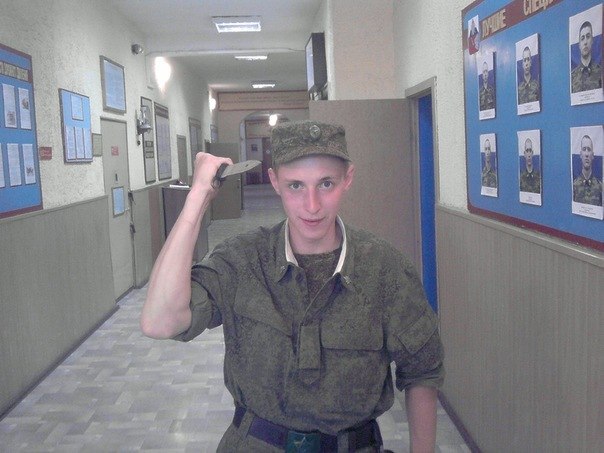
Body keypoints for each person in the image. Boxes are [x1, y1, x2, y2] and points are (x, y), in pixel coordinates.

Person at [141, 120, 445, 453]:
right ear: (275, 182)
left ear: (348, 179)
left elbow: (422, 371)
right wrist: (198, 196)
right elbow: (161, 322)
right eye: (296, 185)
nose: (312, 205)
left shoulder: (384, 269)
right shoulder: (242, 260)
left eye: (326, 183)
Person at [571, 21, 602, 93]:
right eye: (582, 38)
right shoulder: (572, 77)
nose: (585, 42)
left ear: (592, 40)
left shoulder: (600, 72)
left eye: (588, 37)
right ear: (579, 44)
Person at [573, 134, 602, 206]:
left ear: (592, 155)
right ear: (580, 155)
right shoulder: (574, 186)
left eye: (589, 149)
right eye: (584, 149)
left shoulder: (600, 187)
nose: (586, 154)